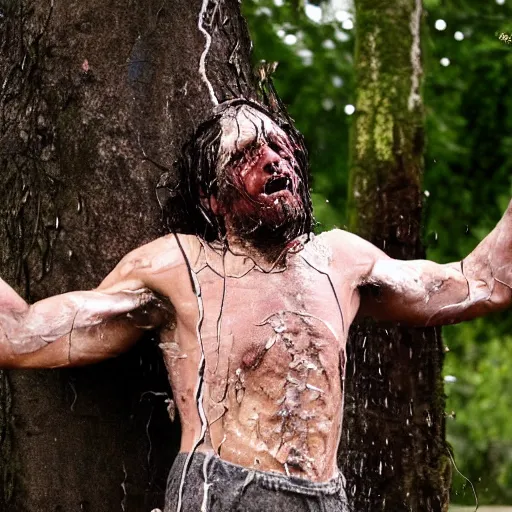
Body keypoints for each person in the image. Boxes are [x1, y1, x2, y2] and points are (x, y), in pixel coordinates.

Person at [0, 99, 510, 512]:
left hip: (327, 497)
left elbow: (481, 284)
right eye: (245, 154)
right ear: (212, 198)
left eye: (280, 147)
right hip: (221, 493)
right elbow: (20, 335)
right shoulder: (179, 265)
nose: (273, 160)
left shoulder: (341, 258)